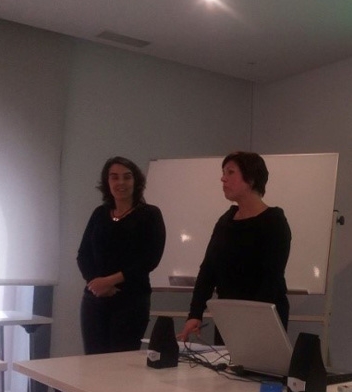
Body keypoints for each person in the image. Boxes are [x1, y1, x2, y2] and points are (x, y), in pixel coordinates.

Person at [178, 151, 292, 342]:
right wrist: (195, 313)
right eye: (223, 173)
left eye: (230, 172)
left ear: (251, 179)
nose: (223, 179)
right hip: (228, 315)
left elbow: (271, 278)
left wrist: (247, 320)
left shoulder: (274, 221)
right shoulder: (226, 220)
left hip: (262, 317)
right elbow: (208, 270)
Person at [76, 156, 166, 354]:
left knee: (120, 364)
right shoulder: (99, 213)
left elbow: (150, 259)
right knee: (92, 363)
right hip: (94, 300)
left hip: (131, 301)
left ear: (136, 181)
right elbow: (83, 254)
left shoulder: (150, 214)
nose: (121, 182)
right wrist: (95, 284)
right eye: (114, 177)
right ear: (107, 182)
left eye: (127, 177)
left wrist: (109, 281)